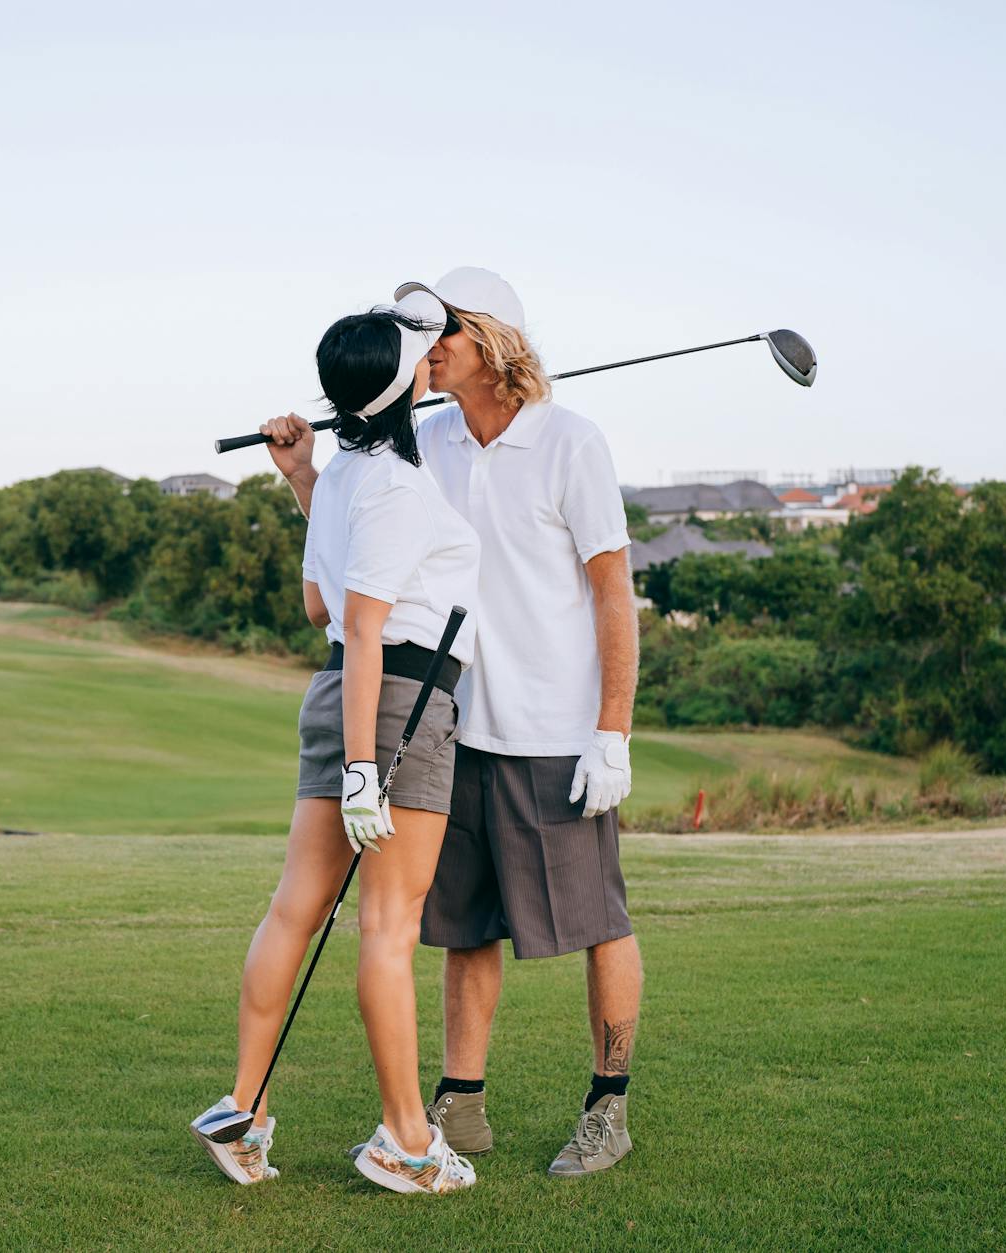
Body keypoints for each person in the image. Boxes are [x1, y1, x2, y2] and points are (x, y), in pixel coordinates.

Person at [258, 267, 642, 1179]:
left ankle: (607, 1107)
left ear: (494, 342)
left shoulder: (572, 444)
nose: (424, 352)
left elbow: (613, 595)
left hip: (553, 729)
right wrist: (308, 474)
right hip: (444, 724)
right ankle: (459, 1105)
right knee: (462, 927)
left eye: (444, 336)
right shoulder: (425, 440)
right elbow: (364, 569)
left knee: (598, 920)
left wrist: (613, 730)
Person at [192, 293, 481, 1195]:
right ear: (405, 384)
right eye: (422, 355)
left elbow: (318, 605)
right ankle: (406, 1140)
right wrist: (367, 770)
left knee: (295, 910)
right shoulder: (393, 484)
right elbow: (359, 625)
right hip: (393, 707)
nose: (434, 360)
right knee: (388, 931)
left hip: (345, 698)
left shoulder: (351, 475)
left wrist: (299, 476)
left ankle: (243, 1110)